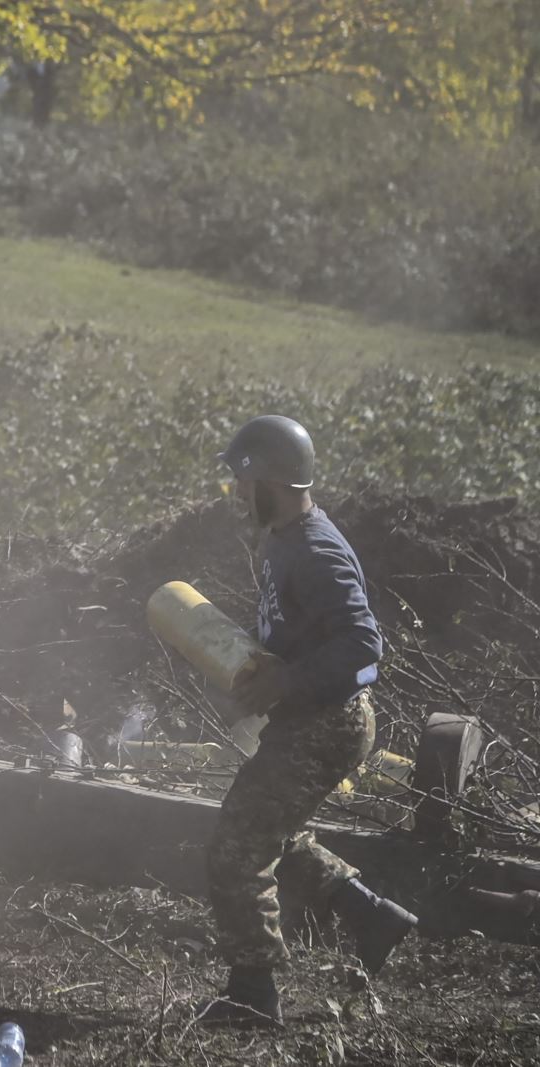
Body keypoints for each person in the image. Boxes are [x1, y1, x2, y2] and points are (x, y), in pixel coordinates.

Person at [201, 415, 417, 1026]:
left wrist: (286, 682)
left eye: (242, 482)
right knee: (275, 833)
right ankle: (370, 915)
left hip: (329, 723)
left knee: (235, 848)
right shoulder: (281, 536)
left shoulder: (317, 550)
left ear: (271, 479)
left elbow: (363, 642)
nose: (237, 494)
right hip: (313, 720)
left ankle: (252, 992)